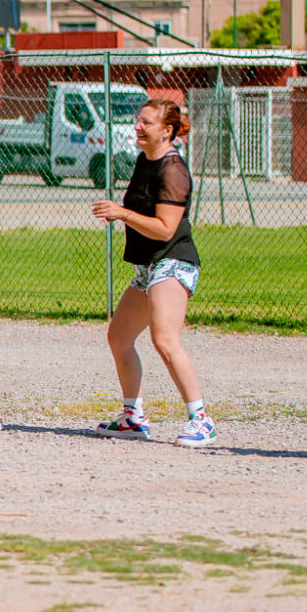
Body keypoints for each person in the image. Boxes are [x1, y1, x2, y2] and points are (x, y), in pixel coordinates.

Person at [91, 99, 214, 447]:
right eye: (138, 120)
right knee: (119, 336)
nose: (138, 126)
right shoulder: (146, 160)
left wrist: (122, 213)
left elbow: (165, 229)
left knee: (165, 338)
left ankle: (201, 420)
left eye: (146, 122)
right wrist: (121, 212)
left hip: (172, 260)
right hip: (148, 265)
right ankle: (133, 418)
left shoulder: (173, 170)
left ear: (167, 130)